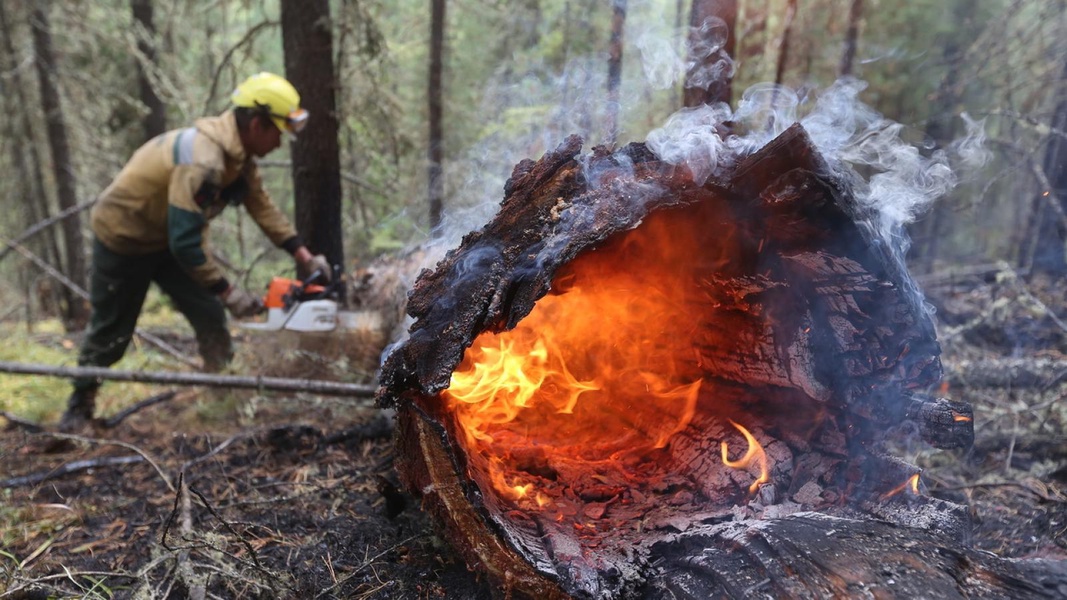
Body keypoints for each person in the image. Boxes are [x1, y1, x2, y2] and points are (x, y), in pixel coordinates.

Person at [60, 72, 330, 429]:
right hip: (123, 239)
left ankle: (222, 399)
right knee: (112, 332)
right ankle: (79, 406)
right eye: (278, 131)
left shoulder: (240, 158)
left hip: (165, 239)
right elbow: (186, 244)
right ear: (256, 123)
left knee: (209, 316)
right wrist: (229, 292)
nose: (280, 142)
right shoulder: (205, 161)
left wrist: (303, 255)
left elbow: (262, 208)